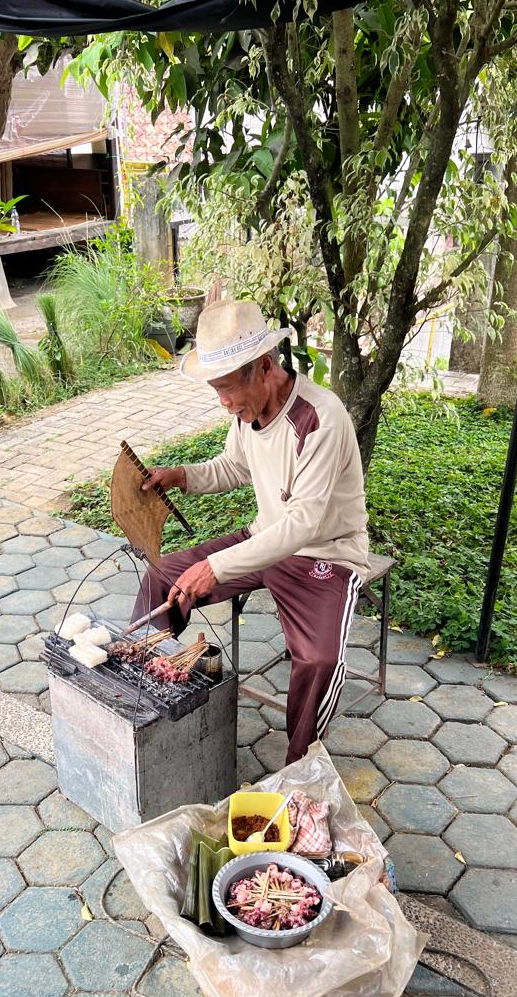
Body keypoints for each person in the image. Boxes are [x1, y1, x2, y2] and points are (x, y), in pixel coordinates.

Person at [132, 299, 369, 764]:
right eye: (216, 391)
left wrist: (215, 567)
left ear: (264, 366)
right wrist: (179, 475)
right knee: (163, 578)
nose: (224, 403)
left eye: (228, 390)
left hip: (326, 554)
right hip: (265, 538)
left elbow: (303, 525)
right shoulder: (245, 413)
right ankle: (153, 688)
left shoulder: (321, 418)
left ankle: (300, 767)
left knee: (319, 660)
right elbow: (234, 466)